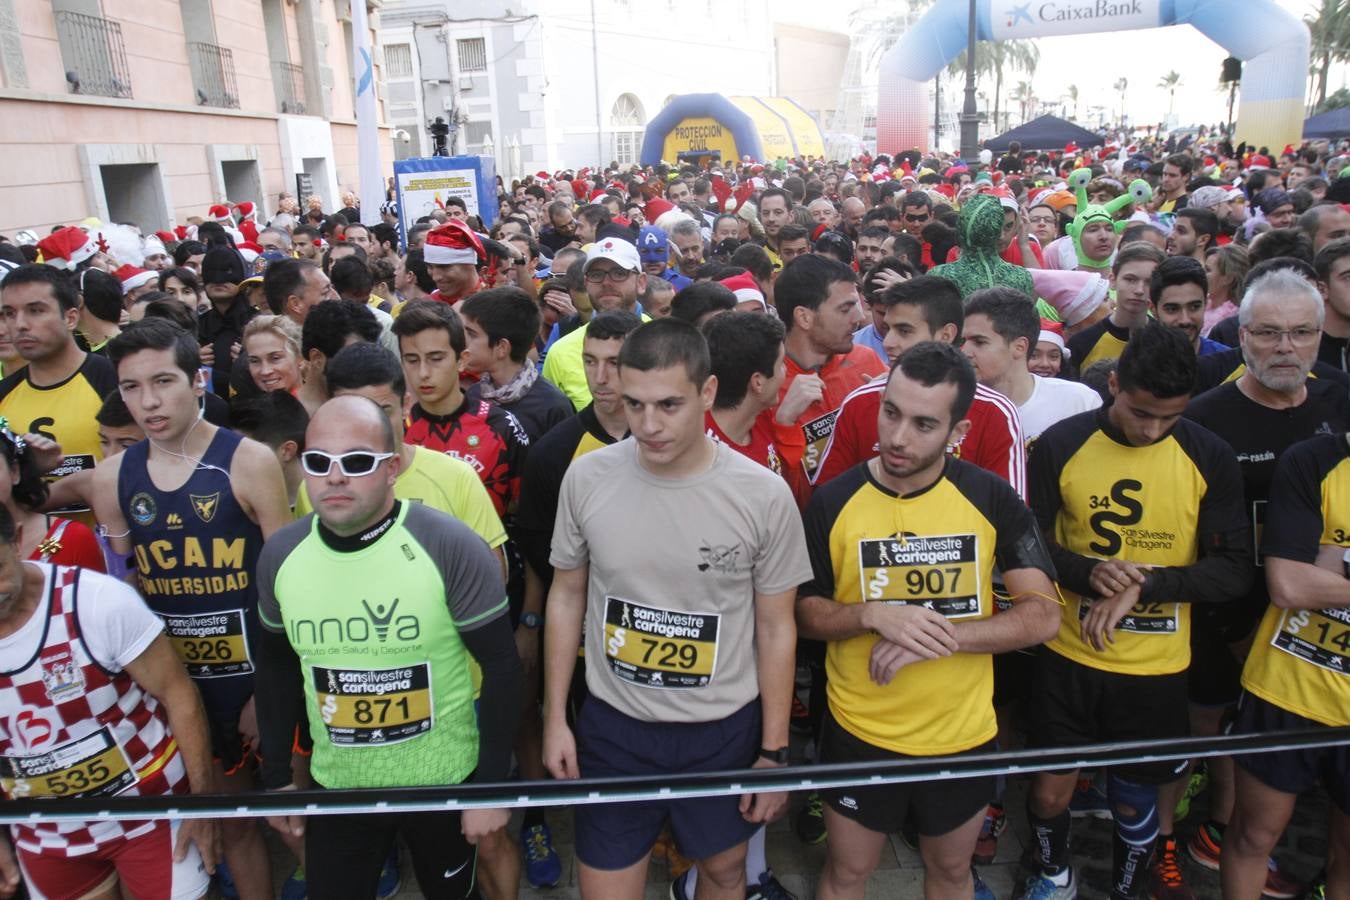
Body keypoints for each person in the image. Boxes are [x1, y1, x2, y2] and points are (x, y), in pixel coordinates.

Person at [543, 319, 809, 900]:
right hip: (614, 728)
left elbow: (776, 626)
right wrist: (556, 717)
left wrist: (773, 750)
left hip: (722, 732)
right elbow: (566, 595)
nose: (649, 425)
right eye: (635, 405)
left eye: (669, 404)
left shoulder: (763, 495)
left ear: (708, 392)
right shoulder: (587, 478)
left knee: (722, 873)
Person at [798, 341, 1060, 900]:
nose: (897, 437)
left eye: (923, 424)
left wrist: (937, 637)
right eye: (891, 413)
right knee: (846, 875)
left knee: (950, 875)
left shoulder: (993, 498)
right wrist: (872, 614)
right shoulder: (833, 501)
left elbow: (1042, 617)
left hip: (960, 737)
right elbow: (804, 614)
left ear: (958, 432)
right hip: (859, 733)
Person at [255, 394, 522, 899]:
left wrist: (489, 788)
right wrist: (276, 780)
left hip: (444, 780)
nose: (334, 477)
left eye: (356, 462)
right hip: (339, 786)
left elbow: (502, 667)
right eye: (319, 462)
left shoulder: (447, 544)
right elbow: (274, 669)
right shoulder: (282, 554)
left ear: (392, 467)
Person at [1023, 325, 1252, 900]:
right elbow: (1026, 546)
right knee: (1051, 793)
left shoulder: (1209, 455)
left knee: (1135, 796)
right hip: (1066, 655)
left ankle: (1129, 884)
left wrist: (1147, 583)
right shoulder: (1060, 444)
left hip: (1156, 668)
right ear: (1114, 384)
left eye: (1168, 418)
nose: (1151, 430)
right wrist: (1086, 572)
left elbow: (1234, 569)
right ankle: (1052, 874)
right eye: (1140, 412)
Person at [90, 318, 293, 900]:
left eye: (162, 381)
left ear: (198, 380)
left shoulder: (248, 460)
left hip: (255, 677)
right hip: (178, 688)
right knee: (234, 828)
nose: (148, 402)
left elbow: (282, 583)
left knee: (293, 814)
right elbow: (123, 588)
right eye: (131, 387)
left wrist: (271, 687)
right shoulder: (114, 479)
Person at [1175, 268, 1347, 899]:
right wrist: (1235, 629)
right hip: (1230, 621)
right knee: (1209, 737)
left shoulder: (1340, 400)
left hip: (1321, 641)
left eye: (1302, 333)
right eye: (1269, 333)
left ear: (1320, 333)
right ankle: (1202, 834)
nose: (1286, 348)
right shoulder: (1204, 420)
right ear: (1241, 334)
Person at [0, 503, 220, 900]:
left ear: (17, 542)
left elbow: (178, 694)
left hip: (149, 813)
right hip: (45, 830)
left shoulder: (96, 600)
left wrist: (202, 806)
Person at [1219, 431, 1350, 900]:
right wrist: (1310, 572)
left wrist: (1337, 563)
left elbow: (1310, 574)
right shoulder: (1313, 460)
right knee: (1253, 835)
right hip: (1288, 688)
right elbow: (1290, 584)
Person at [814, 275, 1026, 495]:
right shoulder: (858, 404)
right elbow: (828, 506)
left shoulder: (995, 413)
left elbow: (1010, 516)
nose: (888, 343)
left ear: (946, 334)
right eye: (888, 329)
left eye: (904, 331)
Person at [0, 265, 118, 520]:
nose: (19, 325)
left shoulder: (114, 381)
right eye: (9, 313)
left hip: (116, 550)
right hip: (33, 555)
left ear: (71, 317)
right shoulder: (4, 396)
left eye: (35, 311)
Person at [392, 300, 529, 519]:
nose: (423, 372)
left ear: (461, 360)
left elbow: (524, 511)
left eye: (436, 359)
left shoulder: (502, 427)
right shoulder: (395, 432)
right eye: (412, 360)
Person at [775, 254, 885, 490]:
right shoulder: (765, 386)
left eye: (858, 305)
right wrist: (783, 423)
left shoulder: (866, 362)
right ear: (804, 317)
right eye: (846, 309)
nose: (859, 318)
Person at [961, 287, 1102, 445]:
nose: (965, 351)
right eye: (963, 341)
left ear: (1019, 347)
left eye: (979, 342)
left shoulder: (1079, 401)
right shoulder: (951, 407)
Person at [543, 238, 648, 410]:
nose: (606, 282)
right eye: (596, 275)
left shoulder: (664, 343)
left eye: (619, 273)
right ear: (586, 283)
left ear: (641, 282)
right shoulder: (560, 352)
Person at [461, 287, 573, 442]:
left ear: (502, 348)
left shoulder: (552, 407)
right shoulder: (473, 395)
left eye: (472, 334)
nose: (462, 342)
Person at [1067, 242, 1166, 369]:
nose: (1139, 290)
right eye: (1130, 279)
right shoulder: (1082, 343)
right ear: (1112, 280)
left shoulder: (1167, 341)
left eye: (1149, 282)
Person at [1150, 257, 1229, 356]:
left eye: (1194, 307)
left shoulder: (1230, 366)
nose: (1185, 320)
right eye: (1172, 309)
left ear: (1205, 304)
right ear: (1154, 310)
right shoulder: (1135, 364)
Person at [242, 314, 305, 401]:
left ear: (300, 358)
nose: (265, 371)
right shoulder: (250, 412)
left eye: (275, 358)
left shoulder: (324, 409)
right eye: (255, 361)